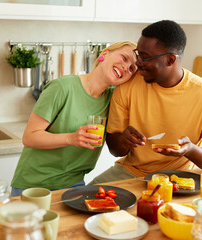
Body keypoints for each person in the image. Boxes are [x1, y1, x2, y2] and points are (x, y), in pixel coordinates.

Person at [90, 20, 202, 184]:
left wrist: (191, 150)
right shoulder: (127, 86)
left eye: (145, 57)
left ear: (171, 59)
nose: (137, 62)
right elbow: (115, 149)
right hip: (131, 173)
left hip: (179, 179)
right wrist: (123, 140)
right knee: (82, 197)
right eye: (138, 54)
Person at [10, 41, 138, 196]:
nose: (126, 67)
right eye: (124, 58)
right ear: (104, 53)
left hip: (73, 185)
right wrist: (71, 138)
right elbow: (29, 137)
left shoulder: (114, 99)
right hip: (34, 184)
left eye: (132, 68)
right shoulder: (62, 87)